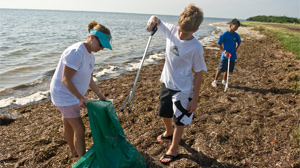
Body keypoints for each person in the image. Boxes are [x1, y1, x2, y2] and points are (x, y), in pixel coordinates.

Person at [146, 4, 207, 164]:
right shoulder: (172, 30)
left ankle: (174, 148)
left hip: (183, 89)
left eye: (185, 32)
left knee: (180, 119)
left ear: (196, 29)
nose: (180, 34)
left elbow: (199, 72)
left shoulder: (196, 47)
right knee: (164, 112)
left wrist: (195, 99)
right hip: (167, 83)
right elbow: (156, 20)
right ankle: (168, 131)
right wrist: (153, 19)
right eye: (180, 29)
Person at [50, 20, 112, 158]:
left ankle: (73, 151)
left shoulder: (90, 55)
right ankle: (83, 160)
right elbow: (65, 79)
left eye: (104, 46)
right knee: (80, 128)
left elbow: (89, 79)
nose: (101, 48)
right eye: (101, 44)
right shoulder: (76, 52)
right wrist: (80, 97)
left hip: (73, 94)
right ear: (91, 37)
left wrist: (100, 95)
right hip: (64, 94)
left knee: (67, 120)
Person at [211, 18, 241, 87]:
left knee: (228, 69)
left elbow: (239, 42)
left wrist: (236, 49)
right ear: (231, 25)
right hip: (225, 55)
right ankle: (215, 81)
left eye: (237, 27)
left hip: (232, 55)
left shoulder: (236, 35)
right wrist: (224, 51)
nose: (236, 28)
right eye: (235, 26)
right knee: (220, 68)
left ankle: (224, 81)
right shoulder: (225, 34)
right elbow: (219, 44)